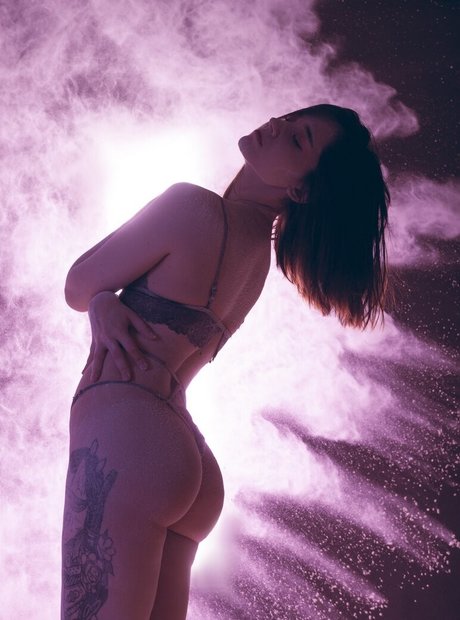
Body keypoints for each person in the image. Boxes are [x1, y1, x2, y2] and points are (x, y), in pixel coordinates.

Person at [60, 104, 392, 619]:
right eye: (291, 118)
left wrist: (101, 299)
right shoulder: (254, 257)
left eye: (298, 140)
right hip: (183, 460)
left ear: (301, 190)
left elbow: (77, 284)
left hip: (127, 437)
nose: (278, 126)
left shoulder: (192, 207)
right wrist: (102, 300)